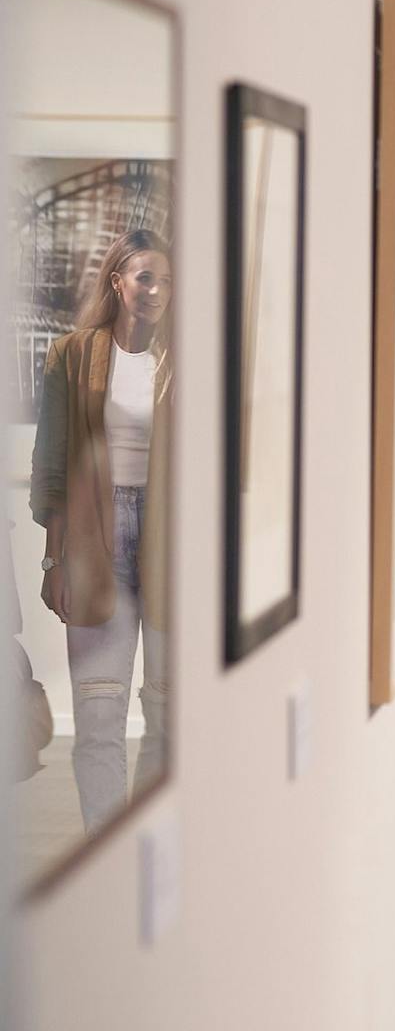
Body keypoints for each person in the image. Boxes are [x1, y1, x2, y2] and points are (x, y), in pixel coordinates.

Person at [30, 228, 173, 833]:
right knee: (97, 711)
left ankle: (141, 840)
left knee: (169, 713)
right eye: (145, 277)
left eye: (166, 280)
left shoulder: (187, 356)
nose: (157, 290)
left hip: (174, 542)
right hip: (94, 537)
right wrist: (54, 560)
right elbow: (52, 466)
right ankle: (105, 851)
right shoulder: (72, 352)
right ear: (118, 282)